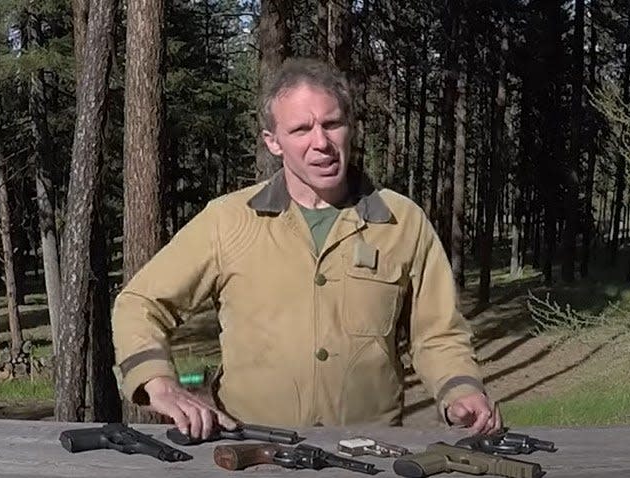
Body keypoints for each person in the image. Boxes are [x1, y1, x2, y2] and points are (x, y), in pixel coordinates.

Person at [111, 57, 500, 440]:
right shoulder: (227, 221)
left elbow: (438, 334)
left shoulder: (402, 223)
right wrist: (158, 382)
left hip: (368, 453)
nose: (321, 143)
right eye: (301, 129)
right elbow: (140, 302)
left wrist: (460, 390)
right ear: (273, 142)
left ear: (350, 128)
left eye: (332, 124)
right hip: (252, 451)